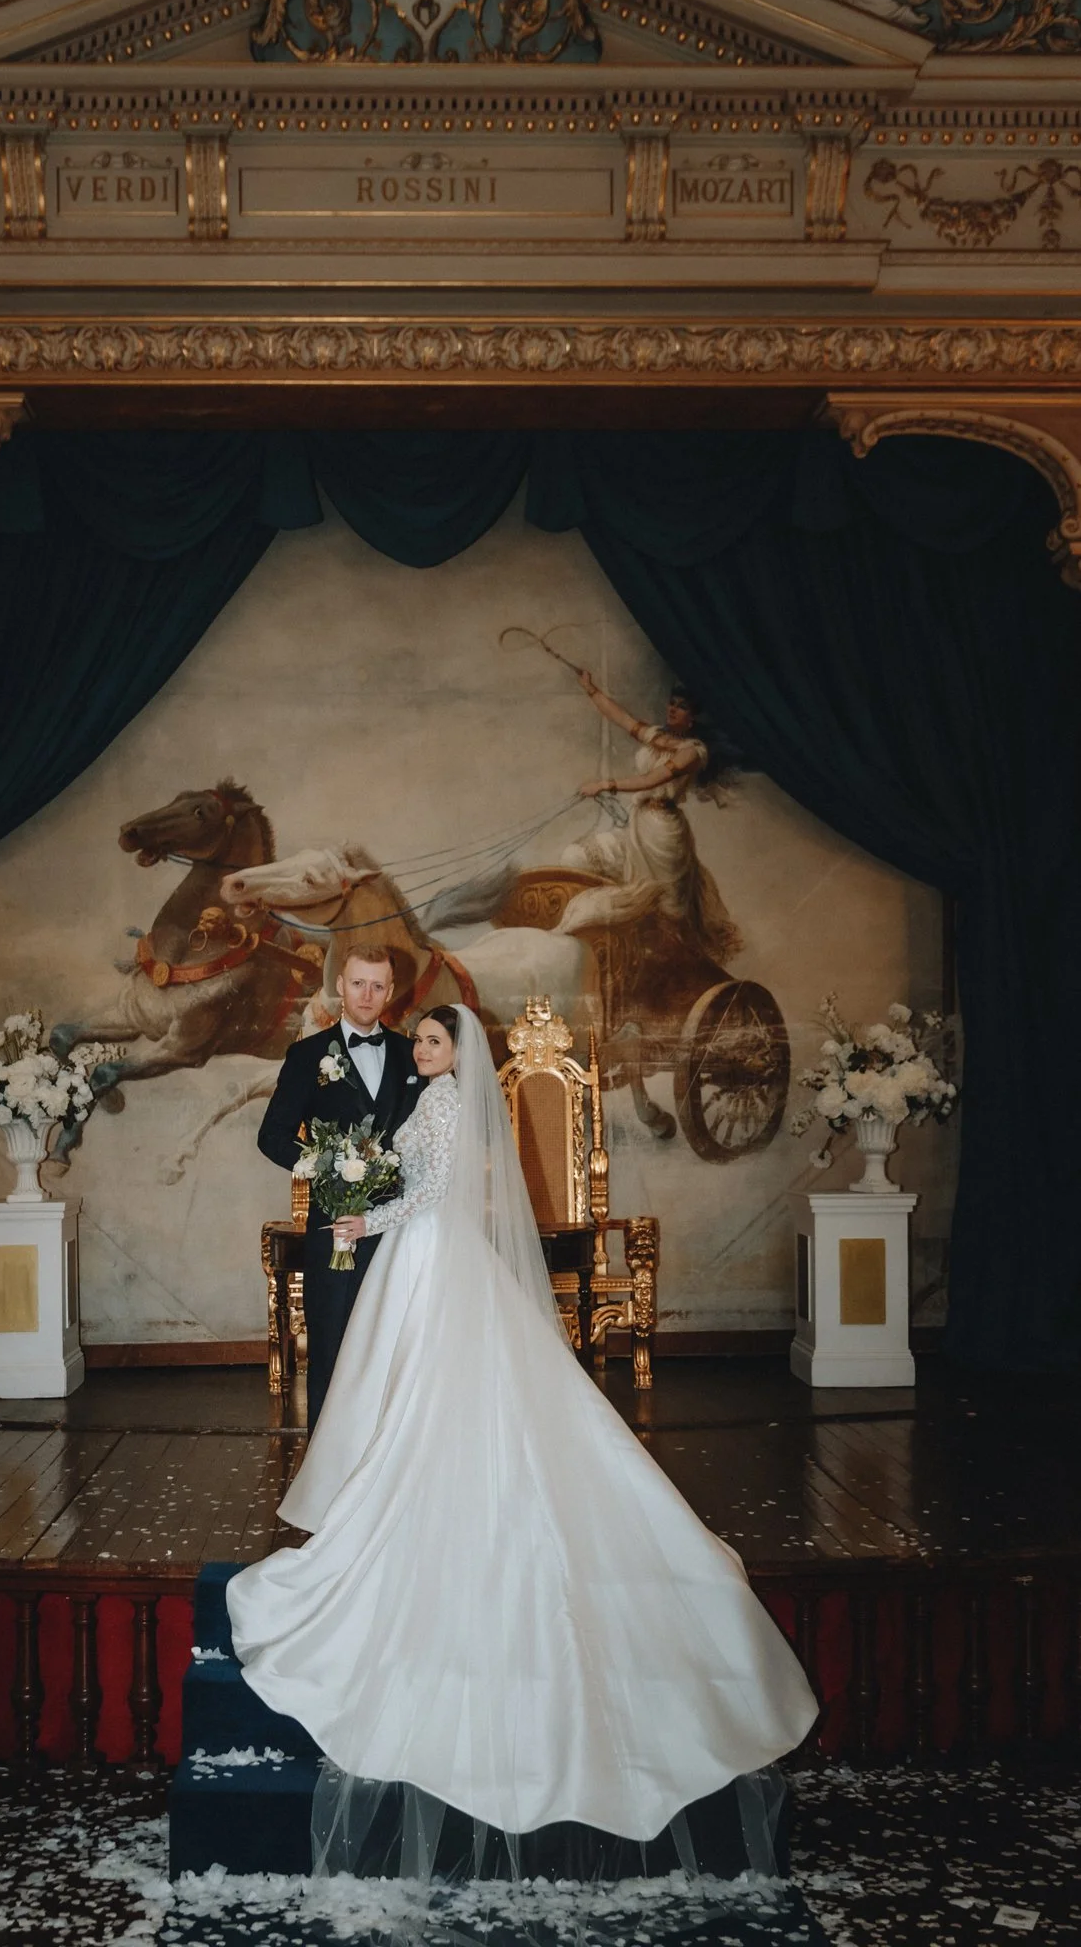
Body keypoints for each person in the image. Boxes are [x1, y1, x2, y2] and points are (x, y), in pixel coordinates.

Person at [228, 1003, 818, 1879]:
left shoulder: (441, 1102)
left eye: (429, 1041)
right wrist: (366, 1199)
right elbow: (416, 1183)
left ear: (451, 1049)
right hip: (433, 1255)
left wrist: (363, 1221)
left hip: (426, 1255)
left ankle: (423, 1503)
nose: (419, 1049)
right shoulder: (442, 1101)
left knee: (426, 1390)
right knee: (431, 1390)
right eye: (419, 1042)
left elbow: (426, 1194)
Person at [257, 945, 423, 1432]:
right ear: (340, 987)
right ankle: (326, 1467)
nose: (367, 995)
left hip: (400, 1228)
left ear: (391, 991)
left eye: (377, 986)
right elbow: (271, 1136)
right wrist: (325, 1166)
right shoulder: (308, 1055)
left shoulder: (412, 1052)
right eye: (358, 984)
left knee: (396, 1343)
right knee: (331, 1345)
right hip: (334, 1228)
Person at [559, 674, 742, 962]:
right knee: (576, 857)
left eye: (681, 706)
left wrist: (606, 784)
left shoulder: (693, 752)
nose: (672, 709)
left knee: (669, 914)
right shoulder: (658, 736)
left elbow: (653, 778)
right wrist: (591, 690)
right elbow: (621, 717)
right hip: (638, 825)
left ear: (692, 717)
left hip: (664, 836)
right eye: (671, 703)